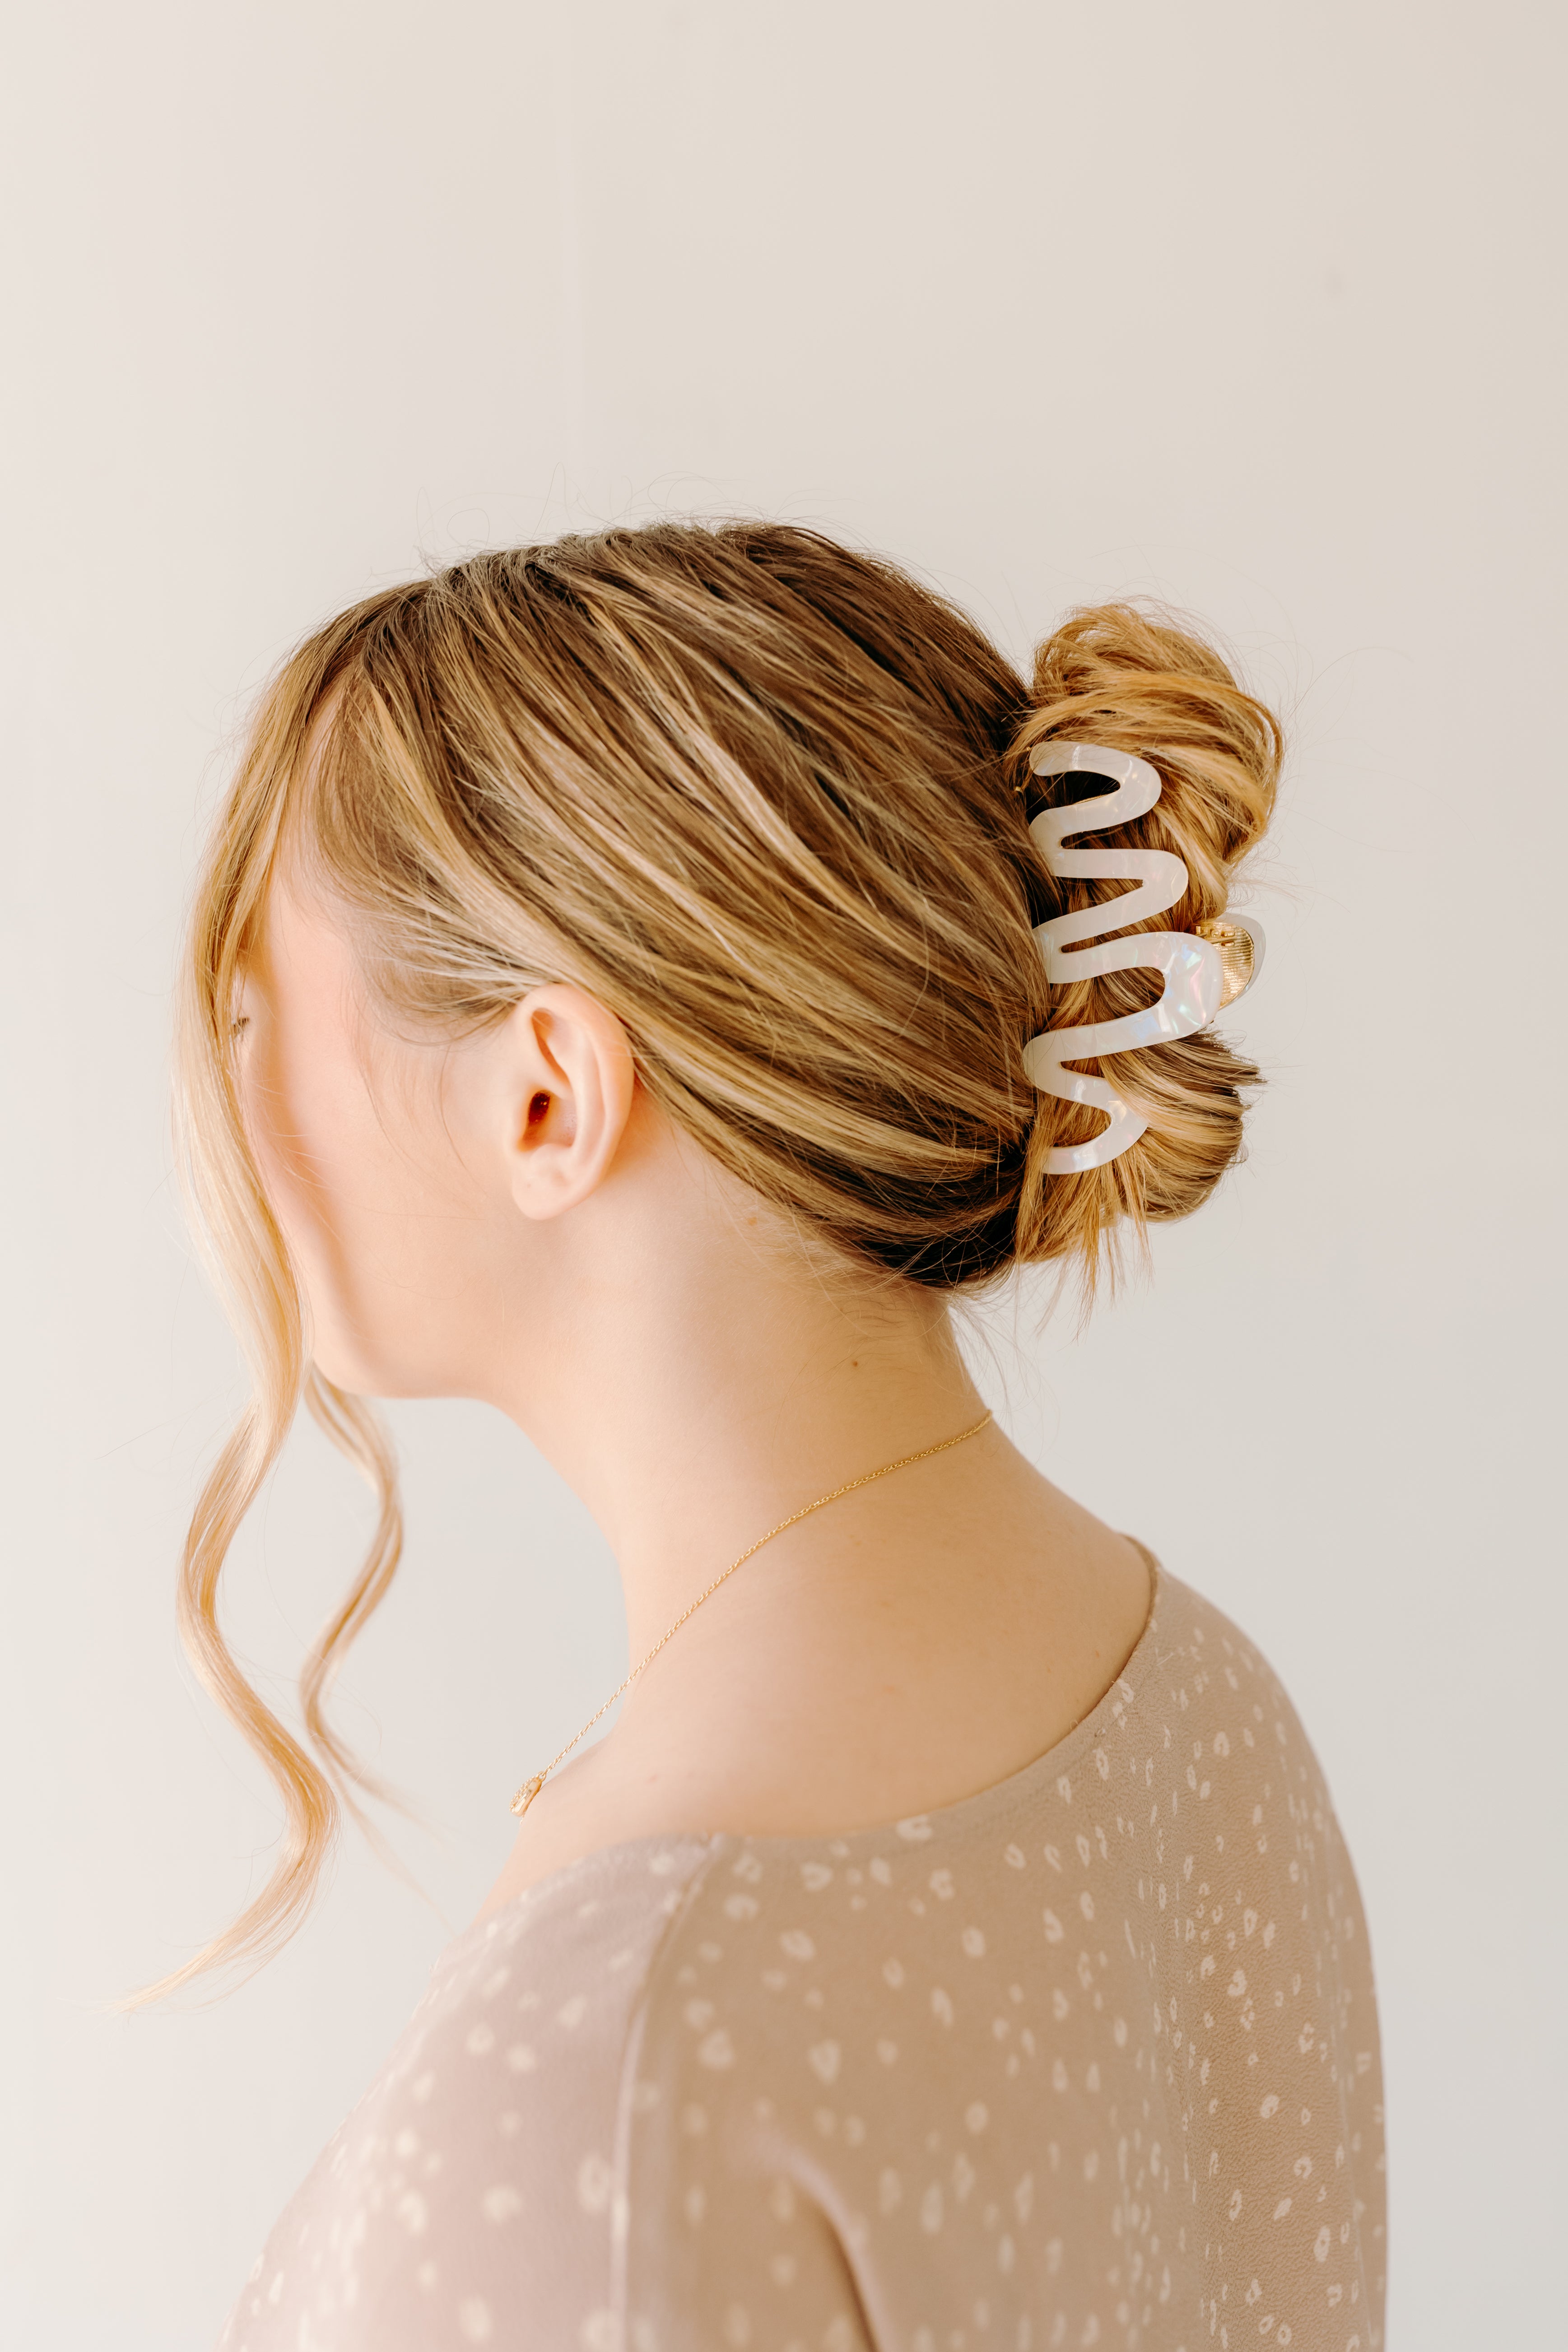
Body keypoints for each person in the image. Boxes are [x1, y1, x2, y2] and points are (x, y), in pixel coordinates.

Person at [175, 522, 1384, 2350]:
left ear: (543, 1097)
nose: (233, 1087)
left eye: (263, 1005)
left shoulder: (601, 2080)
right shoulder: (1199, 1701)